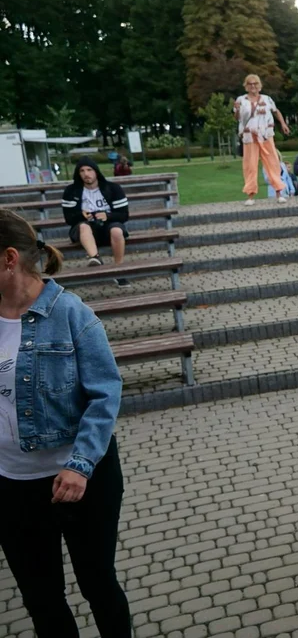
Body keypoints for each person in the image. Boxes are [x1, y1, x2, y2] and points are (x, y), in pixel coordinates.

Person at [0, 210, 131, 637]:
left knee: (98, 584)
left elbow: (105, 391)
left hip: (81, 479)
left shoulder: (70, 312)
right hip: (12, 486)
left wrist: (80, 464)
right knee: (41, 599)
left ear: (8, 259)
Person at [61, 157, 131, 286]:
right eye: (82, 171)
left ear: (96, 172)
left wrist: (107, 216)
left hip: (108, 226)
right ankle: (95, 257)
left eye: (89, 170)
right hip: (84, 229)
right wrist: (81, 215)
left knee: (116, 230)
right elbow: (68, 219)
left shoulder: (113, 188)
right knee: (83, 227)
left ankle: (119, 269)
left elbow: (124, 215)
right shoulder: (71, 191)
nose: (86, 174)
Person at [234, 73, 291, 206]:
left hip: (266, 135)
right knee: (250, 165)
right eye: (250, 84)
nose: (253, 86)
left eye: (255, 84)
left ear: (260, 86)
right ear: (246, 86)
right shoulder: (241, 100)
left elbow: (276, 111)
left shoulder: (267, 99)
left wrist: (283, 124)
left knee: (273, 163)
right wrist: (236, 110)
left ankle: (279, 193)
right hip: (250, 136)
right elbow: (237, 118)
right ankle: (250, 195)